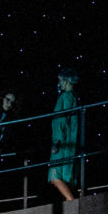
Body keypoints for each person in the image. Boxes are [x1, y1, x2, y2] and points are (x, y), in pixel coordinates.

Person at [47, 67, 81, 202]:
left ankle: (71, 200)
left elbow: (63, 122)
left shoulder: (66, 96)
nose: (59, 83)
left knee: (55, 175)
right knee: (63, 174)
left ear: (66, 80)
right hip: (66, 141)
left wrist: (57, 141)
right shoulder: (72, 96)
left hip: (62, 143)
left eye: (60, 80)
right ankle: (69, 199)